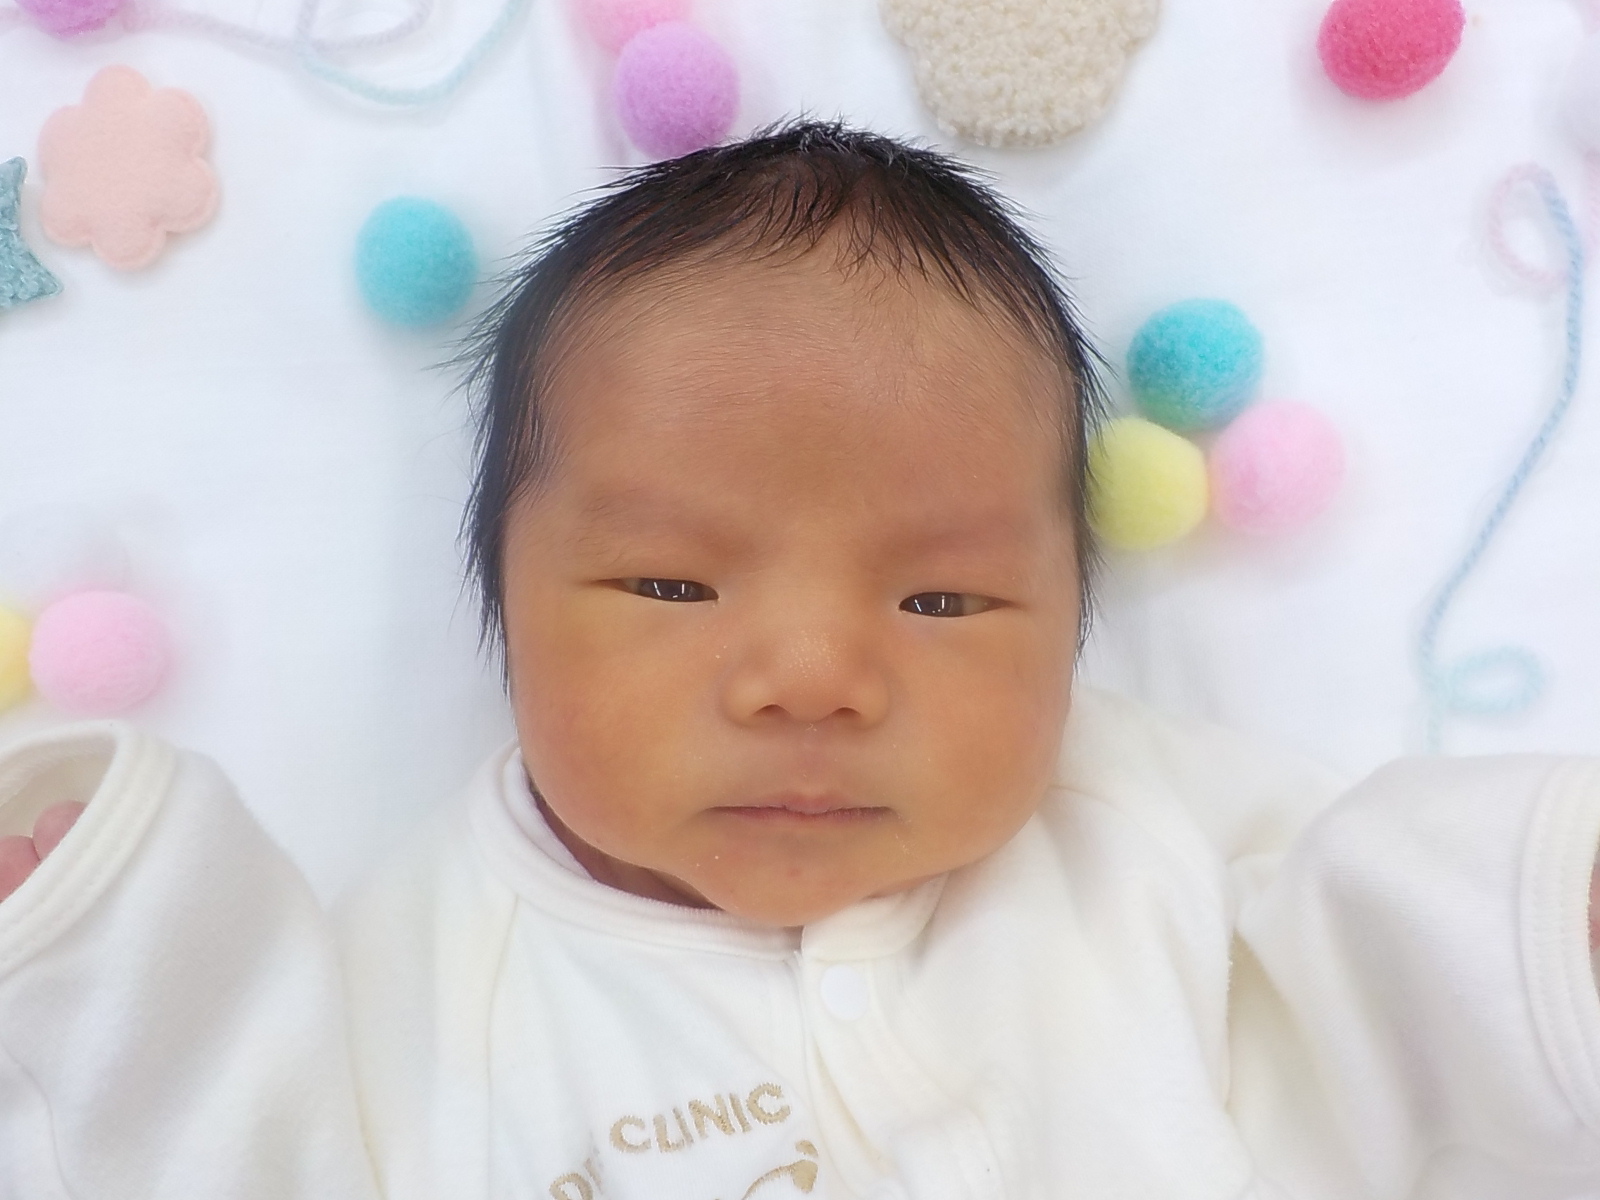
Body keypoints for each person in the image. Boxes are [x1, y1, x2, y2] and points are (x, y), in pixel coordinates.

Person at [1, 120, 1598, 1200]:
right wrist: (108, 938)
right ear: (504, 610)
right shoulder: (426, 966)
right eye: (670, 583)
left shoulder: (1136, 827)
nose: (814, 676)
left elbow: (1380, 981)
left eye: (945, 603)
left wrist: (1543, 919)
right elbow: (231, 1134)